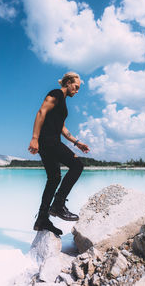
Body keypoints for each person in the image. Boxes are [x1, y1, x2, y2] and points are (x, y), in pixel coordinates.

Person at [28, 72, 90, 236]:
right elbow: (41, 112)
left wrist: (77, 142)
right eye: (76, 87)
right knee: (77, 165)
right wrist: (34, 138)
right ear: (68, 83)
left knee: (54, 177)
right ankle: (58, 204)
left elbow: (62, 128)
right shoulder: (56, 93)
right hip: (48, 141)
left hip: (50, 142)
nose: (76, 91)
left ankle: (42, 219)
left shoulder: (62, 103)